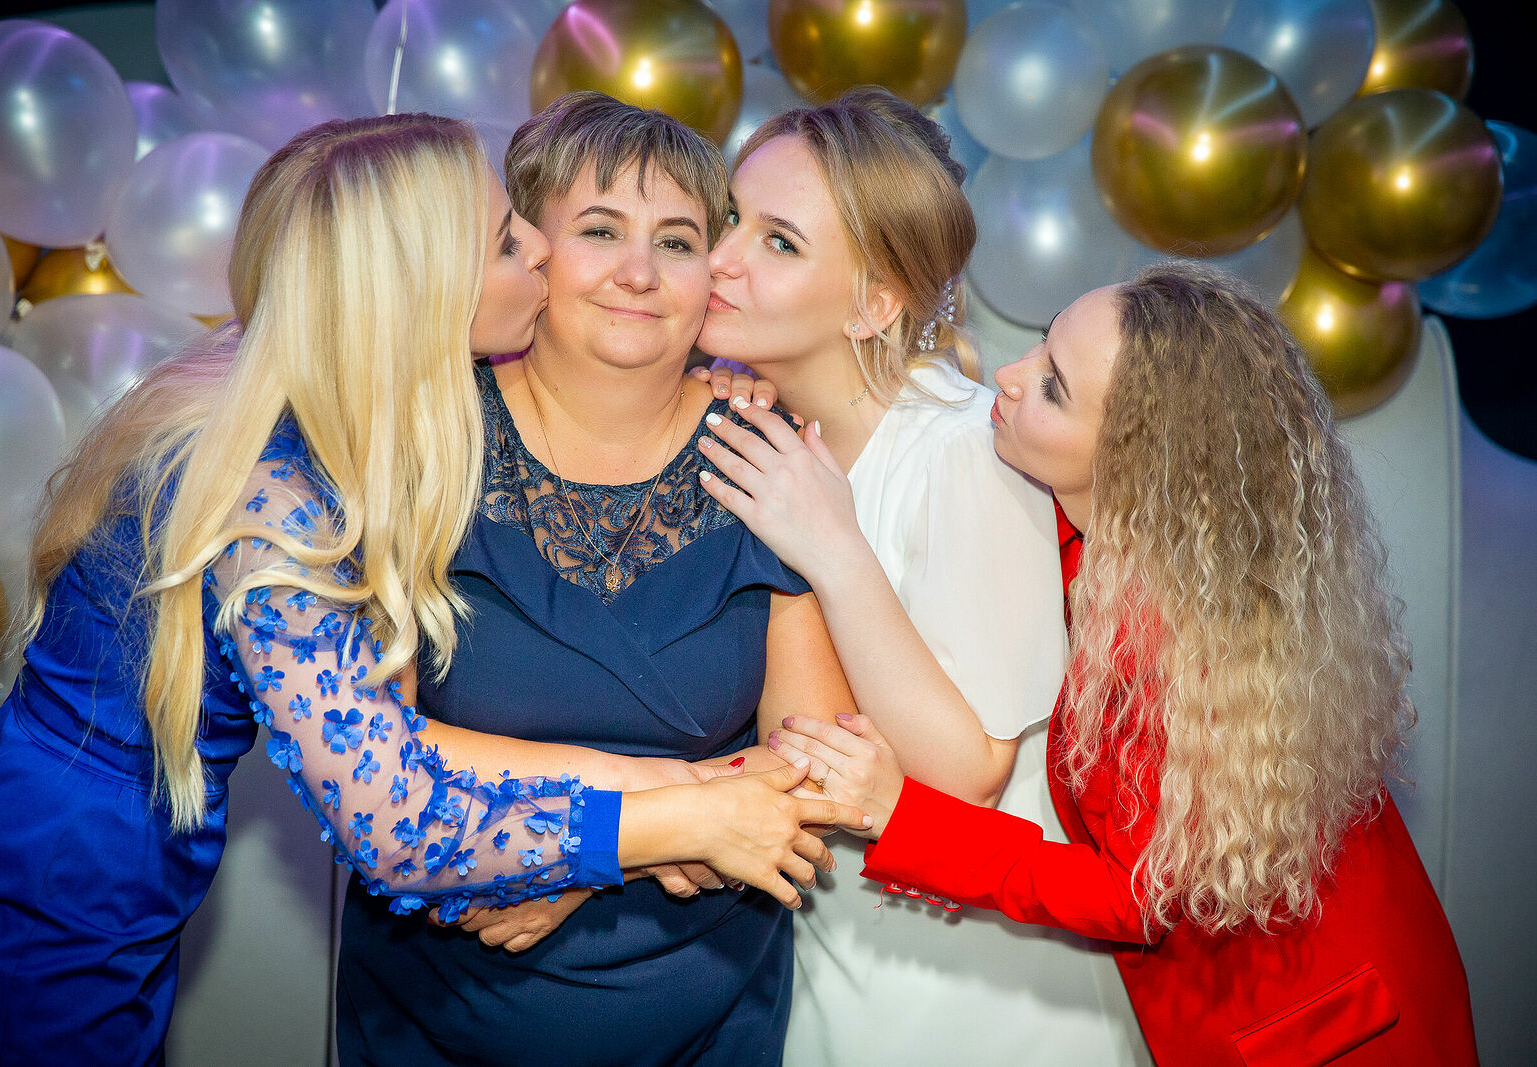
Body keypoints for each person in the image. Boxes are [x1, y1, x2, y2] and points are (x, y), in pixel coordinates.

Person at [0, 113, 864, 1066]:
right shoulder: (275, 483)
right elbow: (394, 815)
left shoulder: (311, 416)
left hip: (110, 878)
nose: (541, 251)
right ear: (422, 282)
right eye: (507, 241)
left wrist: (664, 808)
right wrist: (679, 809)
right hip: (47, 887)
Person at [735, 262, 1480, 1064]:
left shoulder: (1181, 642)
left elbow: (1133, 895)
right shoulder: (1120, 536)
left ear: (1134, 464)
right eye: (1042, 344)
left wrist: (906, 817)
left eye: (1053, 387)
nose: (1010, 378)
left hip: (1330, 1029)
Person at [332, 92, 863, 1067]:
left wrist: (589, 858)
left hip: (707, 1015)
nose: (639, 272)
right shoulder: (423, 438)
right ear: (532, 250)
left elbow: (816, 761)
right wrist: (654, 823)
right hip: (433, 1009)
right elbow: (377, 750)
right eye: (601, 230)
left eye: (677, 240)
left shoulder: (765, 451)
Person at [687, 87, 1149, 1064]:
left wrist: (835, 546)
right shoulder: (754, 428)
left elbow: (965, 772)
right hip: (829, 951)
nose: (719, 257)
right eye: (730, 215)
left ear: (874, 304)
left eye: (778, 242)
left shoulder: (968, 451)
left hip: (977, 994)